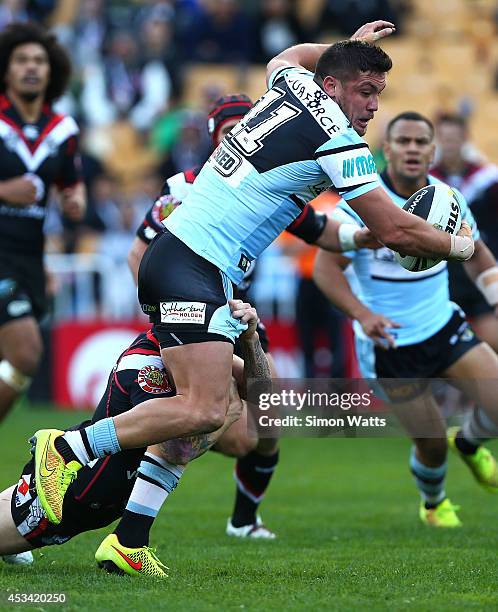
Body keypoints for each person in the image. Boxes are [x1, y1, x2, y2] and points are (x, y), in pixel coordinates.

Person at [32, 22, 476, 529]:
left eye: (379, 94)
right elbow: (397, 230)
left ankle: (129, 541)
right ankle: (68, 448)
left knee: (223, 409)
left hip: (190, 264)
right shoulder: (337, 140)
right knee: (201, 410)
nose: (374, 106)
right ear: (332, 86)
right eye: (366, 91)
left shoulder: (293, 83)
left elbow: (287, 55)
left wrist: (345, 51)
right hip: (191, 266)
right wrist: (466, 246)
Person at [127, 93, 379, 543]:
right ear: (215, 139)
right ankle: (104, 479)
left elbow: (322, 232)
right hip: (193, 311)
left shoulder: (272, 183)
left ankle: (241, 518)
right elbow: (141, 253)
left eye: (253, 125)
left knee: (261, 420)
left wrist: (369, 235)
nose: (249, 137)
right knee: (202, 418)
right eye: (233, 131)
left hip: (239, 317)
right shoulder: (186, 188)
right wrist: (160, 315)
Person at [313, 111, 498, 527]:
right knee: (431, 446)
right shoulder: (361, 203)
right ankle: (433, 503)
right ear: (386, 149)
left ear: (433, 151)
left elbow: (478, 253)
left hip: (443, 325)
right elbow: (326, 270)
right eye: (403, 141)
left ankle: (468, 444)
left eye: (420, 142)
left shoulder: (450, 198)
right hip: (392, 344)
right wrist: (363, 315)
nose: (412, 149)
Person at [0, 301, 266, 577]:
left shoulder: (193, 351)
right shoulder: (145, 366)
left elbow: (263, 396)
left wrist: (251, 339)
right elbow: (175, 448)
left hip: (101, 496)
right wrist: (225, 416)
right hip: (71, 496)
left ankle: (129, 539)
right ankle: (127, 539)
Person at [0, 22, 85, 423]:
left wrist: (74, 202)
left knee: (16, 362)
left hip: (30, 260)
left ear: (52, 71)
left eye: (39, 60)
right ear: (6, 69)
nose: (31, 68)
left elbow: (73, 187)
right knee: (27, 352)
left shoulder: (63, 130)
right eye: (21, 60)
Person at [431, 113, 498, 352]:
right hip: (443, 272)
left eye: (454, 138)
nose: (449, 145)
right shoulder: (428, 181)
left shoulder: (488, 179)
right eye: (444, 138)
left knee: (492, 340)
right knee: (440, 346)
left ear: (465, 139)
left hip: (479, 265)